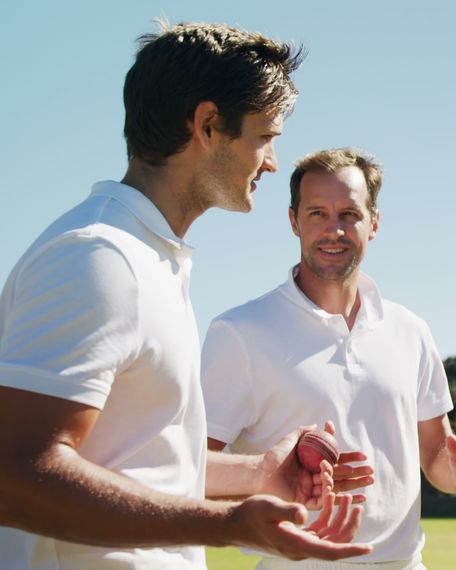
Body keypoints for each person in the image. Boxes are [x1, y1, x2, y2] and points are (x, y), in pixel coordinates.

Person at [0, 22, 370, 569]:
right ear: (208, 125)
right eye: (265, 137)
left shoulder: (153, 260)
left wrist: (258, 475)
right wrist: (223, 525)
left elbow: (140, 460)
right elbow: (15, 473)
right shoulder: (99, 257)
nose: (270, 162)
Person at [201, 147, 456, 570]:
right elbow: (189, 469)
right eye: (317, 213)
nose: (333, 229)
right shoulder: (240, 333)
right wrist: (268, 478)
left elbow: (435, 455)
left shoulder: (410, 330)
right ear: (294, 221)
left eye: (349, 214)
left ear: (374, 223)